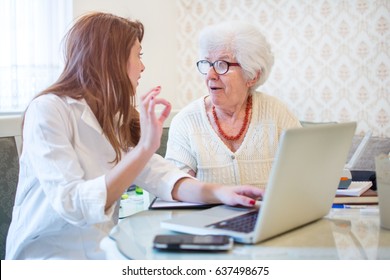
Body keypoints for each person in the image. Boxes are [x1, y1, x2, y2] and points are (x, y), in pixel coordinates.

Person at [5, 13, 263, 260]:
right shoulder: (48, 109)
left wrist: (224, 194)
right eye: (138, 55)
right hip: (46, 255)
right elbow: (73, 204)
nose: (143, 66)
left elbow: (163, 177)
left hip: (102, 250)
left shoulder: (115, 117)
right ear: (111, 59)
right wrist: (144, 149)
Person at [165, 21, 301, 189]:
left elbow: (306, 174)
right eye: (207, 64)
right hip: (208, 215)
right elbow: (175, 188)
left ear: (252, 75)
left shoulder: (277, 114)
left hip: (272, 215)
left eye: (222, 64)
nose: (210, 75)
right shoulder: (186, 122)